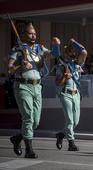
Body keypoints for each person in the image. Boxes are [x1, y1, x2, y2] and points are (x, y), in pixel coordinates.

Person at [8, 23, 59, 158]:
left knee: (35, 121)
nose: (33, 36)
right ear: (24, 34)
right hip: (23, 86)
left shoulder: (39, 48)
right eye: (30, 33)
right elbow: (9, 68)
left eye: (35, 33)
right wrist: (21, 64)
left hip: (37, 87)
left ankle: (17, 138)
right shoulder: (17, 49)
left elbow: (54, 55)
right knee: (28, 117)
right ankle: (29, 150)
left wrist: (56, 45)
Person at [54, 38, 87, 151]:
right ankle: (71, 143)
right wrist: (65, 76)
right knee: (69, 120)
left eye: (73, 51)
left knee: (76, 121)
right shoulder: (61, 66)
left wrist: (73, 42)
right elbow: (58, 82)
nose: (72, 53)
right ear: (65, 53)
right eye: (70, 51)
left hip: (76, 94)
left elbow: (84, 52)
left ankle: (61, 135)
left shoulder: (77, 64)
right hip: (66, 94)